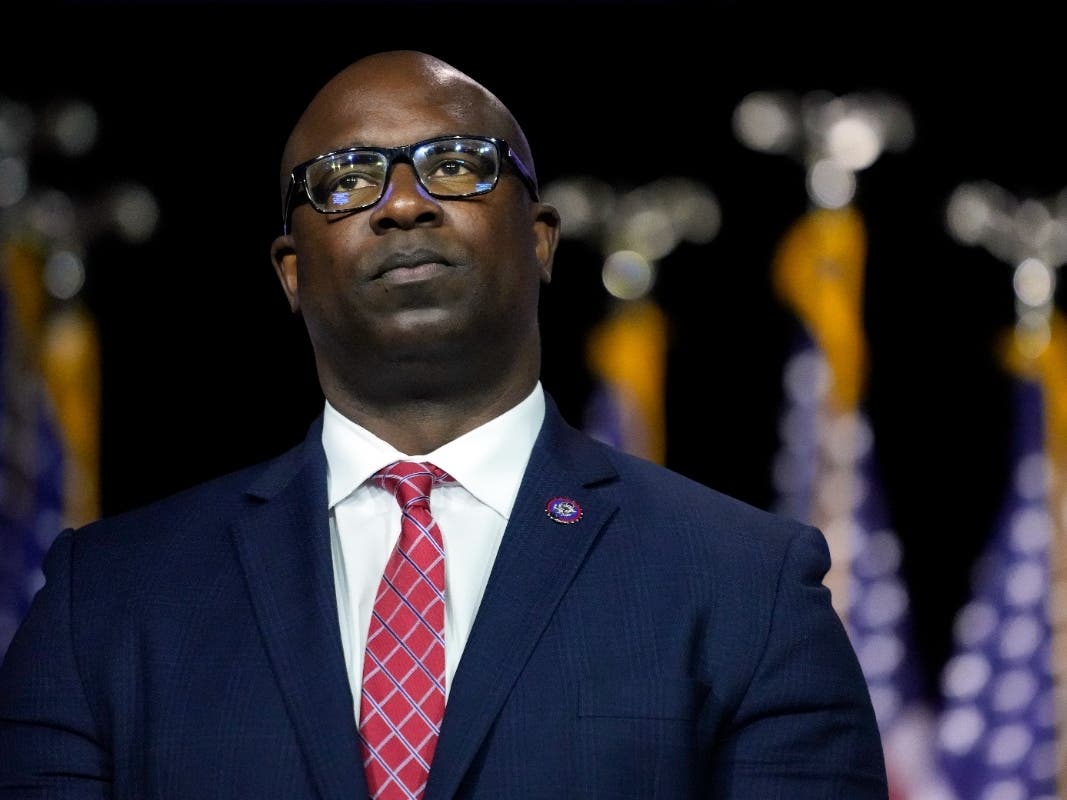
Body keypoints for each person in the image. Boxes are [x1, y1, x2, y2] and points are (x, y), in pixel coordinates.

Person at [0, 49, 888, 798]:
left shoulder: (745, 586)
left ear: (539, 240)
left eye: (456, 165)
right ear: (290, 272)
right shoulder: (107, 602)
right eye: (345, 181)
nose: (401, 204)